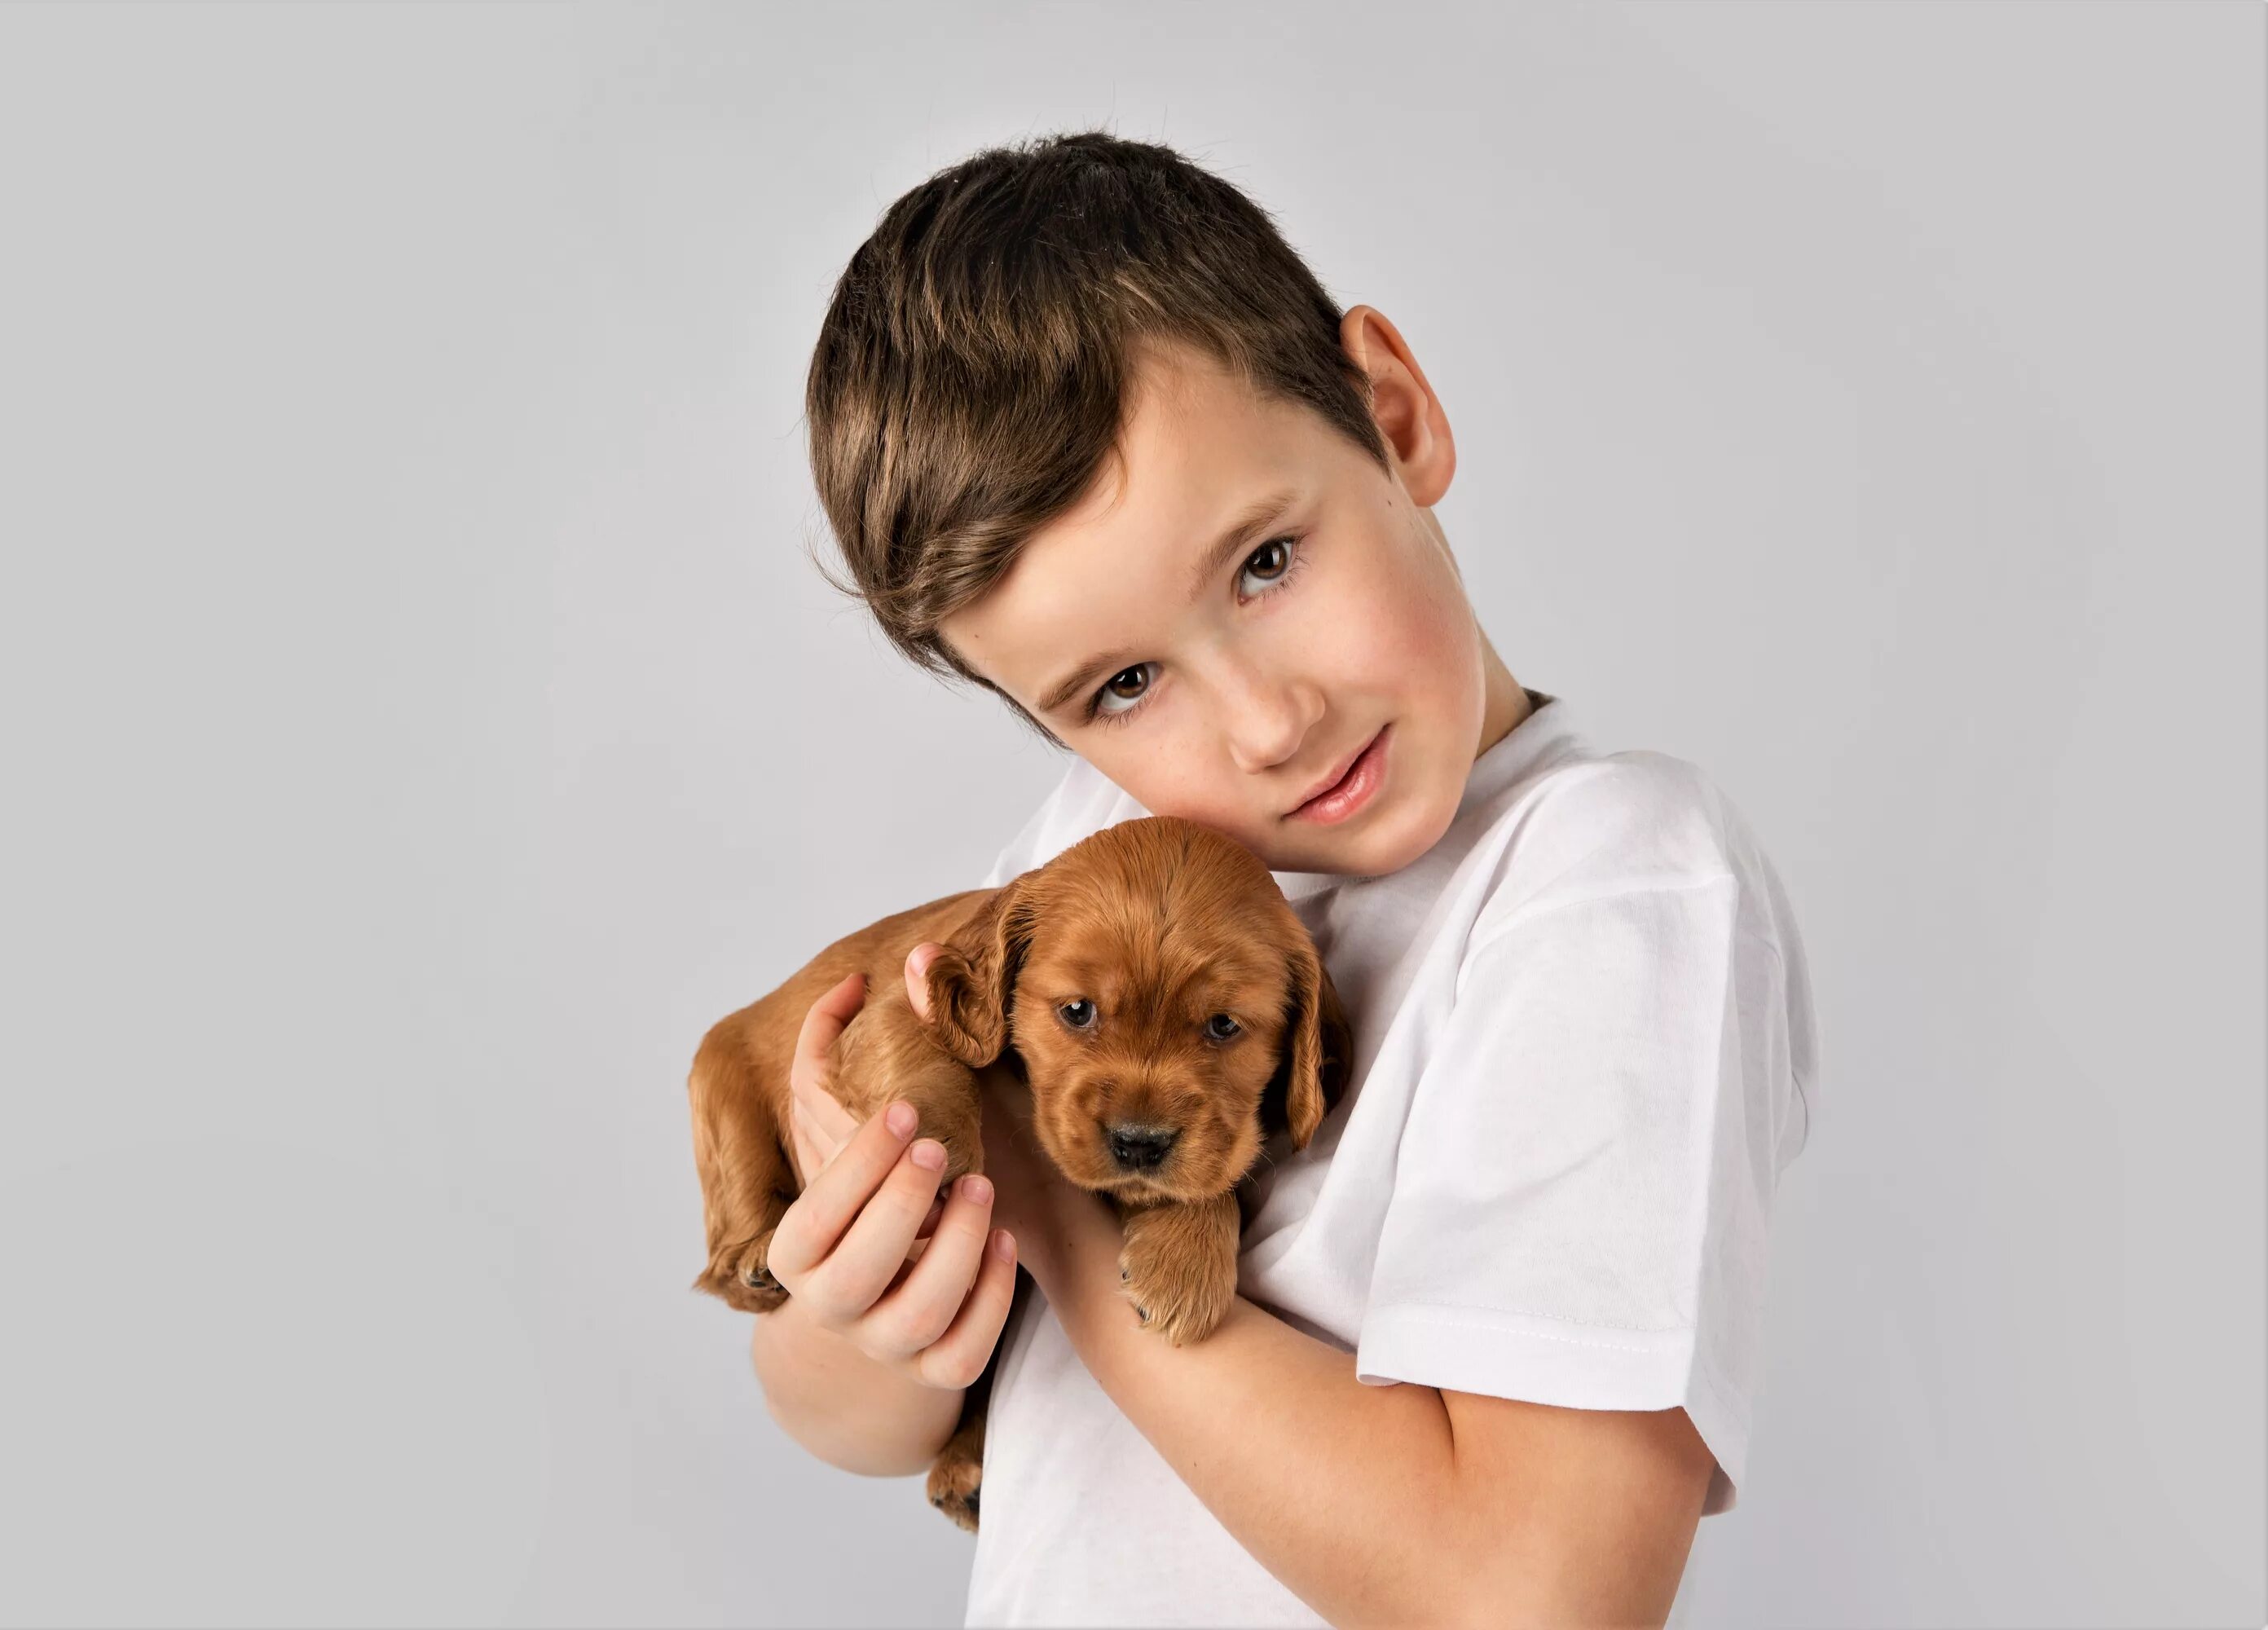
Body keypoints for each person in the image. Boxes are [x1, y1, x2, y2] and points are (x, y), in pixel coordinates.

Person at [748, 129, 1821, 1629]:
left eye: (1264, 562)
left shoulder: (1608, 885)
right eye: (1124, 685)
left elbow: (1532, 1600)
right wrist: (855, 1321)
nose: (1265, 725)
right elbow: (866, 1424)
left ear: (1393, 414)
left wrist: (1053, 1210)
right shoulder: (1090, 865)